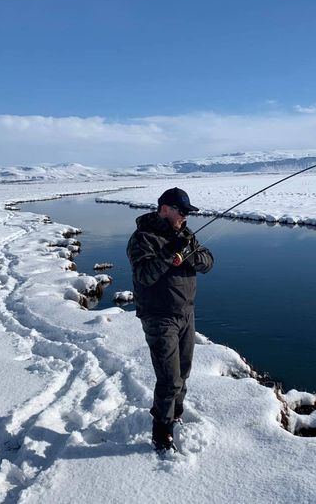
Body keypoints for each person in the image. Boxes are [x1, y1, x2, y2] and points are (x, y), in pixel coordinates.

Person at [126, 187, 214, 451]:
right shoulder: (142, 238)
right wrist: (168, 254)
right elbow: (144, 276)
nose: (185, 217)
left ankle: (176, 413)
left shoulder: (184, 235)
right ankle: (162, 432)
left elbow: (208, 261)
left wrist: (190, 257)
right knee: (168, 378)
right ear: (165, 209)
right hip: (159, 316)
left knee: (183, 371)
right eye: (182, 212)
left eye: (188, 213)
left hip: (186, 313)